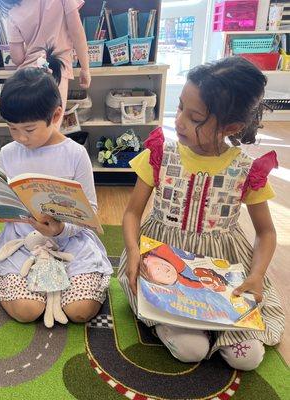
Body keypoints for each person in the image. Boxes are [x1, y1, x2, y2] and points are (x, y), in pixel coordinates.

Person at [119, 57, 285, 371]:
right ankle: (170, 323)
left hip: (222, 268)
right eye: (180, 107)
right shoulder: (160, 154)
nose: (179, 121)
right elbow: (131, 213)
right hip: (162, 259)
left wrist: (257, 274)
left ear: (231, 127)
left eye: (194, 116)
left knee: (248, 358)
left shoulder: (246, 169)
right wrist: (132, 251)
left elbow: (266, 232)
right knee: (190, 349)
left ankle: (212, 328)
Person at [0, 61, 112, 324]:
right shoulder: (9, 152)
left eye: (29, 129)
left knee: (80, 311)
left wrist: (59, 230)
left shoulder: (75, 154)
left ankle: (62, 281)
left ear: (56, 115)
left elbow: (90, 213)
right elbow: (4, 209)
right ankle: (13, 277)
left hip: (71, 242)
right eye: (12, 128)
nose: (20, 137)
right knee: (27, 311)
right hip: (23, 242)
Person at [0, 0, 91, 113]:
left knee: (26, 126)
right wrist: (85, 68)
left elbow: (17, 58)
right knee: (51, 125)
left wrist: (32, 47)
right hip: (56, 69)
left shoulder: (12, 10)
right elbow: (76, 32)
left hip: (26, 75)